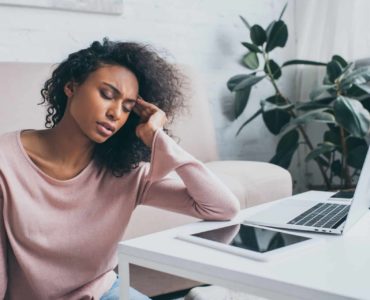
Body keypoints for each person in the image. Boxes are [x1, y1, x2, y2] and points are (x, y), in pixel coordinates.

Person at [0, 38, 240, 300]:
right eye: (107, 95)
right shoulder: (6, 160)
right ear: (71, 86)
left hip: (104, 293)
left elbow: (222, 207)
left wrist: (158, 136)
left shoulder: (125, 172)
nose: (116, 113)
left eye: (127, 107)